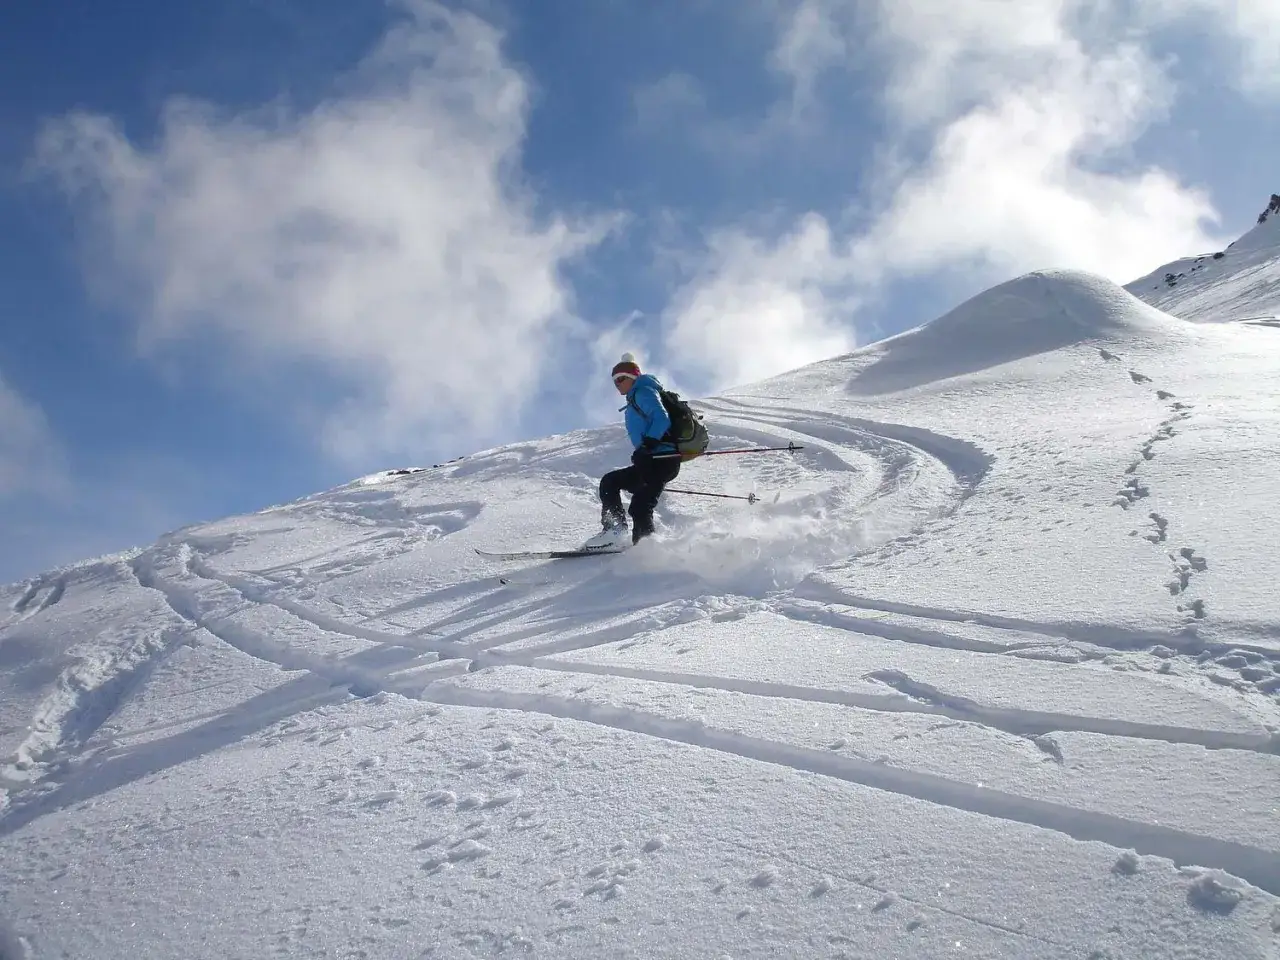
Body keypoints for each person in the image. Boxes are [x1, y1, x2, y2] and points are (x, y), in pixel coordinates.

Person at [584, 354, 682, 549]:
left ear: (633, 377)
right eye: (614, 381)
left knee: (640, 506)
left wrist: (649, 445)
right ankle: (619, 533)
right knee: (612, 483)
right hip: (651, 460)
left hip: (661, 459)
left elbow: (661, 418)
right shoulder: (636, 397)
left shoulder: (643, 391)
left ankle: (646, 550)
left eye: (621, 378)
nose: (617, 384)